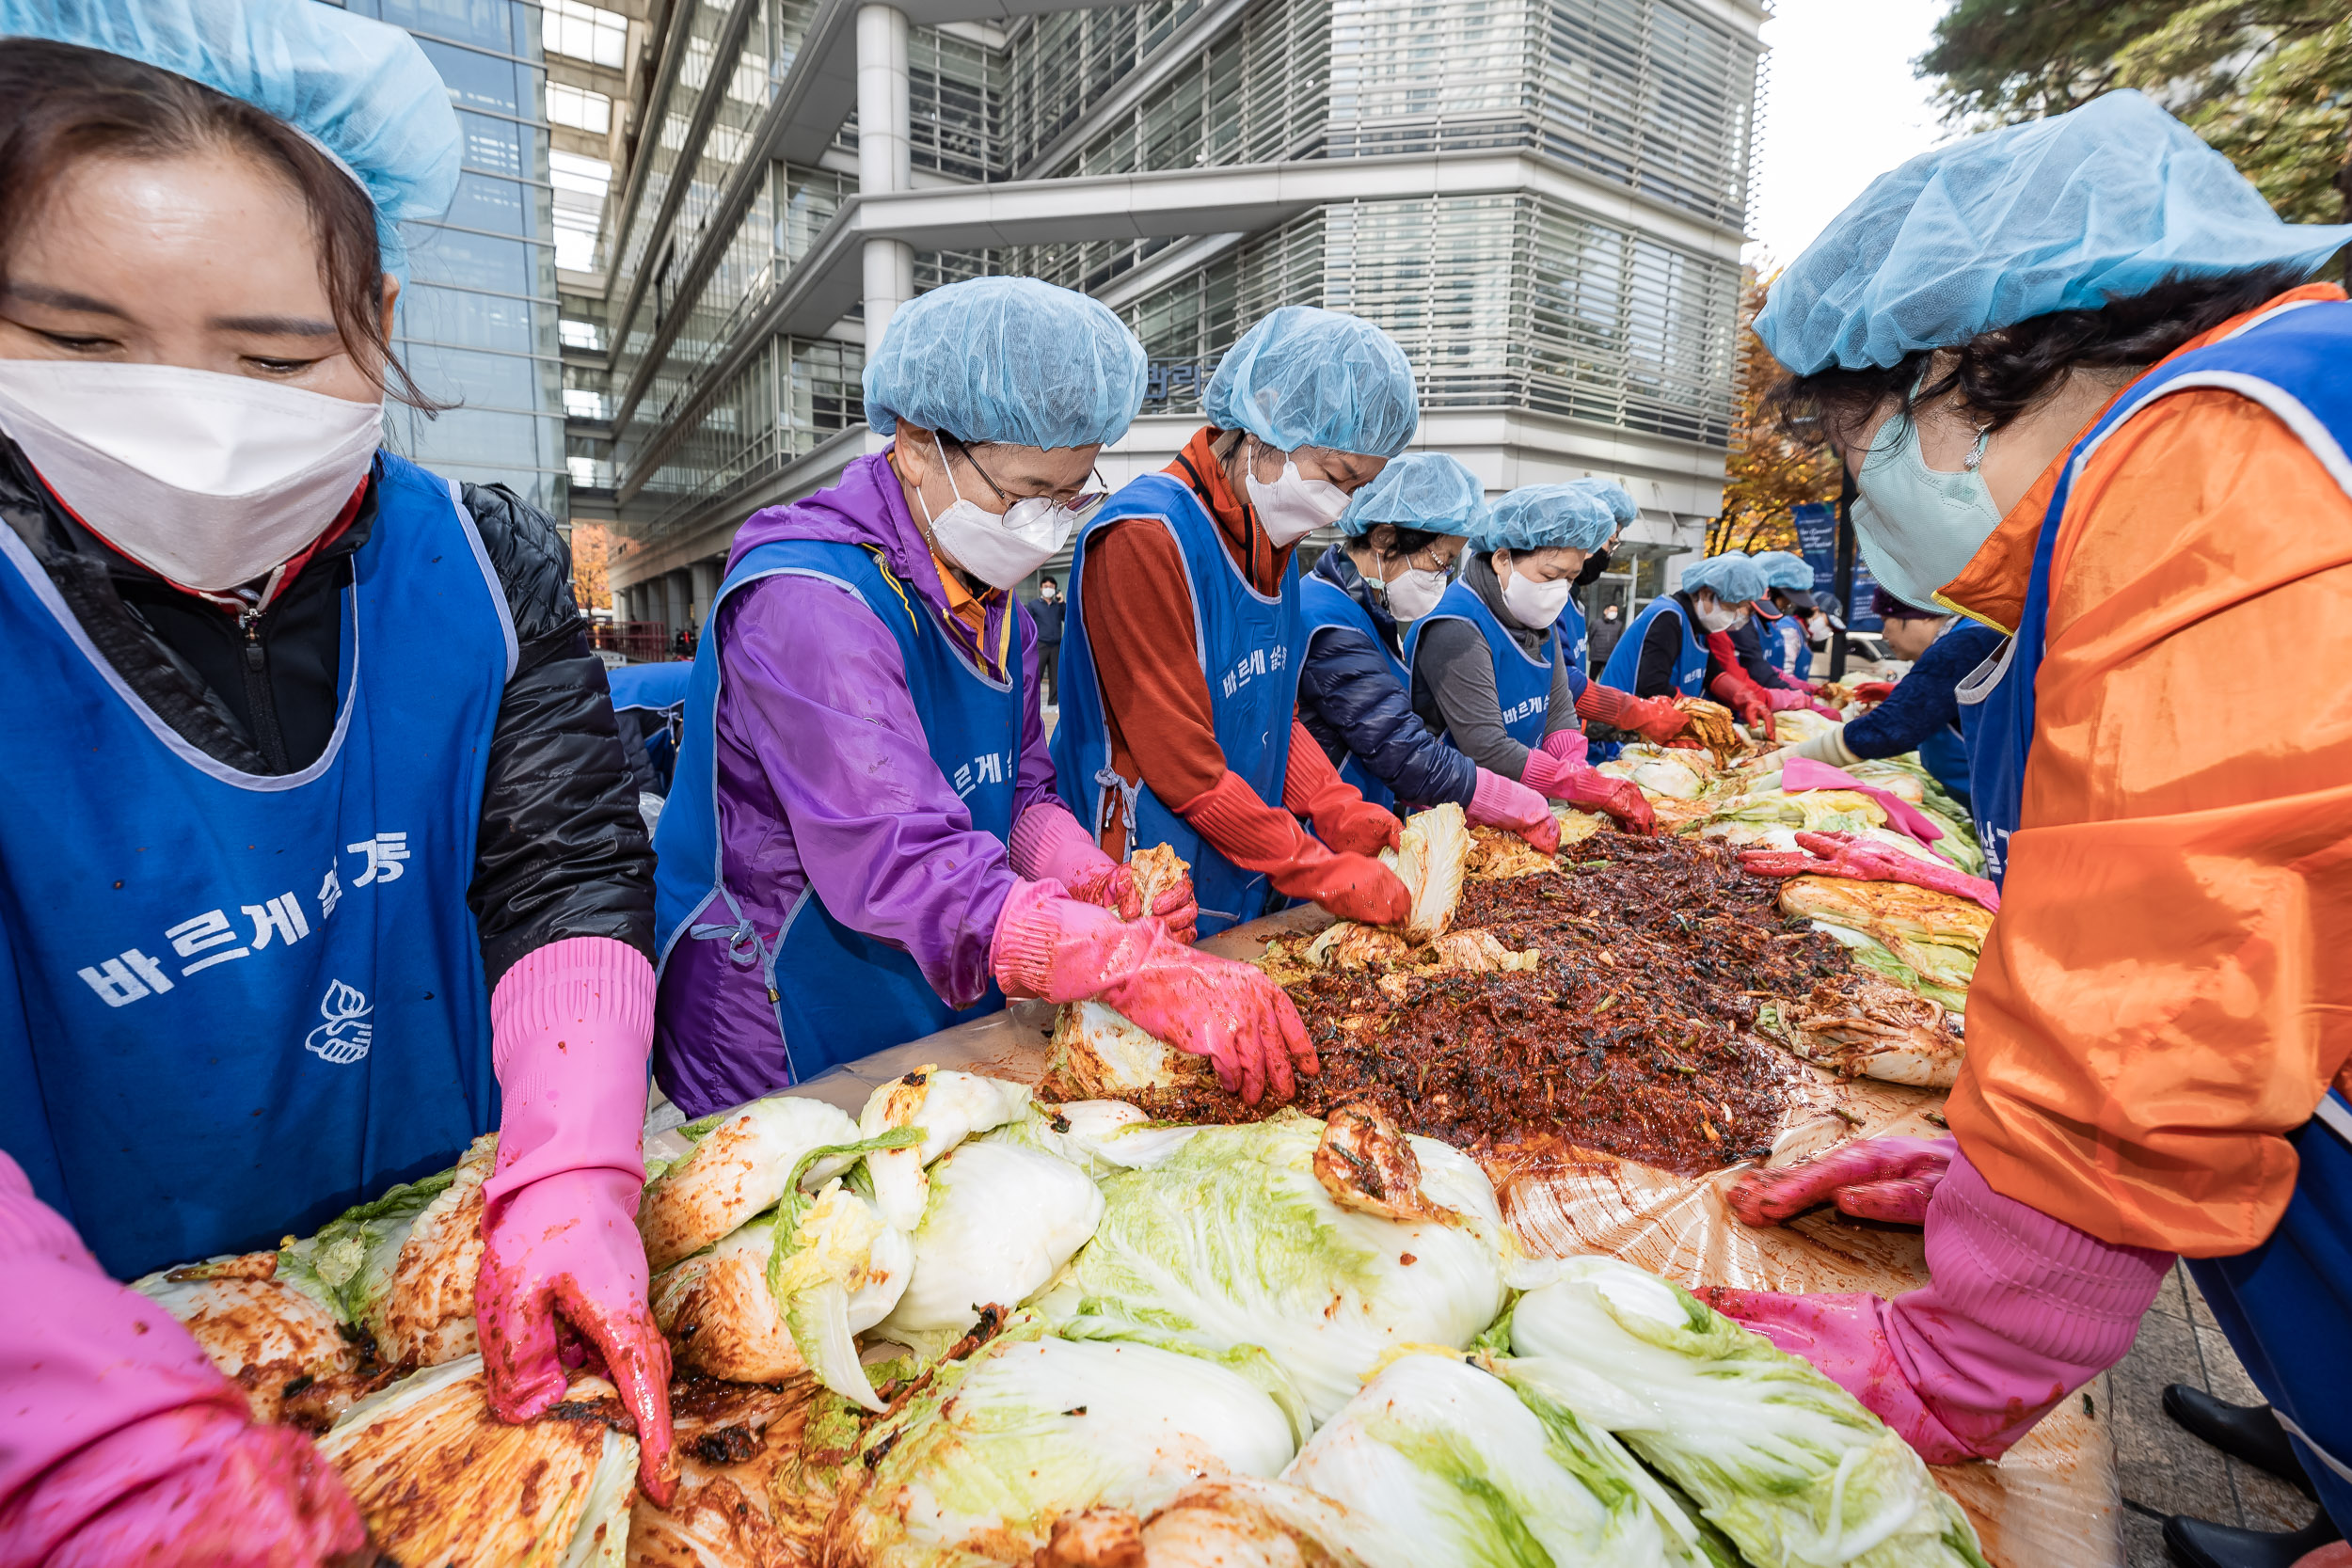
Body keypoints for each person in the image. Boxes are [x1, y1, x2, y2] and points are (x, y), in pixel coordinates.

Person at [0, 2, 680, 1554]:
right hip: (86, 1352)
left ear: (376, 318)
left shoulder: (478, 562)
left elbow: (560, 865)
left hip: (442, 1272)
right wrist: (78, 1437)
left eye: (276, 353)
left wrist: (570, 1174)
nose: (192, 414)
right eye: (85, 345)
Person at [1713, 89, 2352, 1568]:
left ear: (1968, 360)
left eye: (1863, 438)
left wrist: (1979, 1339)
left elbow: (2160, 978)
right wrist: (1992, 1176)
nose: (1868, 488)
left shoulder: (2220, 450)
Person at [653, 277, 1311, 1118]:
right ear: (919, 443)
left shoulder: (999, 608)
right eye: (1024, 496)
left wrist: (1088, 879)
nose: (1044, 526)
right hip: (781, 1009)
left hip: (930, 977)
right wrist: (1123, 964)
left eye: (1067, 496)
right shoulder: (808, 601)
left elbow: (1018, 796)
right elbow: (900, 853)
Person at [1053, 307, 1417, 938]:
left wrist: (1330, 803)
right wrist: (1315, 867)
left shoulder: (1274, 542)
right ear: (1265, 421)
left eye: (1358, 489)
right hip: (1145, 872)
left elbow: (1265, 709)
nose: (1340, 504)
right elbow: (1183, 766)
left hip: (1238, 860)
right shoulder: (1144, 537)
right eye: (1337, 477)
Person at [1293, 451, 1556, 849]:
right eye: (1440, 560)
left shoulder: (1369, 614)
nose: (1442, 577)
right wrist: (1507, 799)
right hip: (1323, 840)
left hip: (1360, 831)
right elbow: (1403, 752)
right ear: (1384, 538)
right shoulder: (1329, 622)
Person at [1403, 483, 1663, 832]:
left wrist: (1576, 769)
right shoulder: (1456, 626)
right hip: (1453, 819)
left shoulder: (1540, 616)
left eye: (1570, 578)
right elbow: (1486, 747)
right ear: (1502, 559)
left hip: (1521, 810)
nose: (1558, 590)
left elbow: (1557, 709)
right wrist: (1574, 785)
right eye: (1550, 575)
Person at [1786, 589, 2002, 807]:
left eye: (1885, 620)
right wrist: (1901, 692)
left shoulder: (1964, 644)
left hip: (2003, 801)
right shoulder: (1968, 637)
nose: (1884, 634)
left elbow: (1888, 730)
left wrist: (1788, 760)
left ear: (1920, 615)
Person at [1595, 551, 1777, 733]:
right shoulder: (1668, 617)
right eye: (1732, 607)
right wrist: (1701, 714)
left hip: (1652, 730)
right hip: (1621, 733)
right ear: (1706, 593)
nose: (1734, 615)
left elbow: (1712, 673)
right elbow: (1653, 685)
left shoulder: (1697, 624)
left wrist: (1746, 699)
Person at [1029, 573, 1065, 705]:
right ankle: (1032, 703)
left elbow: (1067, 618)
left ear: (1055, 589)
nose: (1048, 588)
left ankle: (1053, 703)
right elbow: (1028, 624)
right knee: (1036, 675)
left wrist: (1062, 602)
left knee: (1055, 677)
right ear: (1041, 588)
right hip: (1041, 644)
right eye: (1046, 586)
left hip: (1056, 645)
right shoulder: (1034, 605)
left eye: (1051, 586)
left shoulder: (1058, 606)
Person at [1586, 599, 1625, 675]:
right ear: (1605, 611)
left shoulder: (1619, 625)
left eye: (1616, 611)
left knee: (1606, 681)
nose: (1614, 613)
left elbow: (1619, 639)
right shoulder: (1596, 623)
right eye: (1612, 610)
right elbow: (1590, 638)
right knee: (1592, 679)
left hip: (1610, 658)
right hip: (1596, 657)